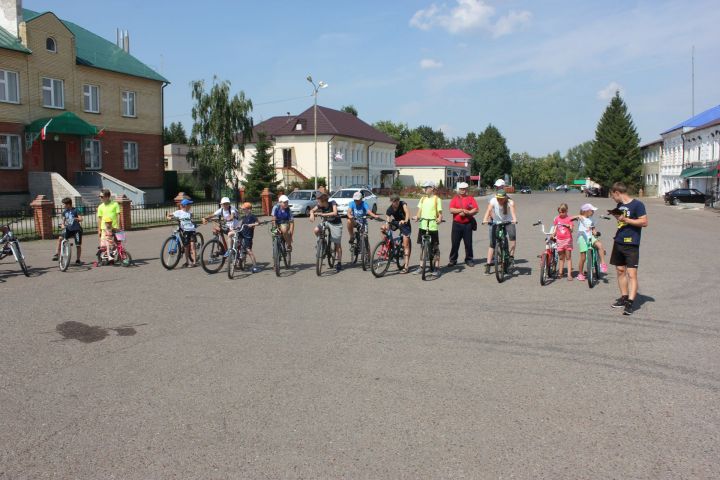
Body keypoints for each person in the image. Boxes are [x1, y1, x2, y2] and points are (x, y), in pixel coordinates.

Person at [608, 182, 648, 316]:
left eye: (613, 195)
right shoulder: (619, 206)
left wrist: (626, 219)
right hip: (618, 241)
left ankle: (630, 303)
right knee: (620, 271)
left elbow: (644, 222)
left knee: (632, 274)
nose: (613, 198)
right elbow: (622, 222)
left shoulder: (638, 205)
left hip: (631, 243)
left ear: (617, 193)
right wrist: (618, 217)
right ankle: (624, 298)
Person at [481, 189, 517, 275]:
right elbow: (488, 210)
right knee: (492, 243)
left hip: (508, 221)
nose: (499, 200)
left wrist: (514, 219)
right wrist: (485, 219)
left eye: (501, 198)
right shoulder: (493, 200)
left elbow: (513, 212)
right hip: (497, 221)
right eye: (498, 198)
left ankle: (511, 257)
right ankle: (488, 265)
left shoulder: (510, 202)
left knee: (512, 236)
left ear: (505, 198)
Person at [412, 181, 443, 277]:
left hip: (433, 226)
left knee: (435, 247)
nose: (424, 189)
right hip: (423, 225)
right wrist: (417, 217)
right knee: (422, 247)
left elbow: (440, 213)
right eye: (424, 187)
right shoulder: (422, 199)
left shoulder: (436, 199)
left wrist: (439, 219)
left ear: (432, 188)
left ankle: (437, 268)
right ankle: (421, 267)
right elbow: (419, 211)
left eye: (426, 187)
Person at [310, 191, 344, 272]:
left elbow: (335, 213)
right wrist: (312, 214)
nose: (317, 203)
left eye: (318, 201)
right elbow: (312, 210)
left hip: (336, 224)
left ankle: (339, 262)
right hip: (327, 222)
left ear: (323, 200)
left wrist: (322, 214)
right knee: (316, 230)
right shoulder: (320, 206)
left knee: (337, 244)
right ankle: (323, 243)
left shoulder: (332, 203)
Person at [574, 203, 607, 282]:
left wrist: (596, 233)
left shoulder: (591, 219)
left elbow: (593, 229)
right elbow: (572, 218)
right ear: (586, 211)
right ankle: (580, 273)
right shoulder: (581, 217)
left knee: (599, 245)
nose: (593, 212)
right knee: (583, 257)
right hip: (582, 237)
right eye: (592, 210)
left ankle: (602, 263)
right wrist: (577, 216)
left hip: (590, 236)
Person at [448, 182, 478, 267]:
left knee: (468, 243)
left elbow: (476, 209)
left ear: (466, 189)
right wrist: (461, 210)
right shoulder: (455, 199)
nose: (462, 191)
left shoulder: (470, 198)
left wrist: (468, 212)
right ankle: (453, 260)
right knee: (455, 243)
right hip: (456, 224)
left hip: (467, 224)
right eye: (461, 189)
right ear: (459, 190)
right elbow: (451, 210)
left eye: (464, 189)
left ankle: (469, 259)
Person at [382, 193, 412, 273]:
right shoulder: (390, 209)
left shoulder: (403, 204)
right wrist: (386, 226)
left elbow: (407, 213)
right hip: (396, 223)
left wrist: (405, 220)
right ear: (391, 201)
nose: (396, 203)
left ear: (399, 200)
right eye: (394, 201)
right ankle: (386, 246)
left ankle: (406, 266)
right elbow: (387, 220)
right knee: (383, 229)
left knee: (406, 245)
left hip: (405, 224)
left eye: (397, 201)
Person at [166, 198, 198, 267]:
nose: (190, 206)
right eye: (189, 204)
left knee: (192, 246)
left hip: (191, 231)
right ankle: (187, 262)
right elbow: (170, 215)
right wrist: (168, 217)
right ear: (185, 205)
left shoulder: (190, 213)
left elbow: (191, 218)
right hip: (185, 231)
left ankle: (194, 262)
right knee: (186, 247)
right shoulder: (179, 212)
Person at [53, 197, 83, 265]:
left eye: (64, 204)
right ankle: (57, 254)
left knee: (78, 245)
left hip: (76, 230)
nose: (63, 206)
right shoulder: (64, 212)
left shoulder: (76, 210)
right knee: (60, 238)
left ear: (68, 204)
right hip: (68, 229)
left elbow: (81, 219)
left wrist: (76, 218)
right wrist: (63, 225)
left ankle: (78, 260)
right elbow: (63, 221)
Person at [553, 203, 574, 280]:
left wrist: (569, 226)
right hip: (559, 240)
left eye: (563, 212)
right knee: (561, 257)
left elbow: (572, 230)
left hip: (567, 240)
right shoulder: (557, 219)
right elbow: (555, 229)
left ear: (566, 211)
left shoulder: (569, 219)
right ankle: (560, 273)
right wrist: (553, 235)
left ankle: (569, 274)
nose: (561, 214)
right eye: (560, 212)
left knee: (568, 257)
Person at [238, 202, 260, 273]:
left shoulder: (252, 216)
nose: (243, 210)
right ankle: (234, 253)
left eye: (244, 209)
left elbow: (258, 223)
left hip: (248, 236)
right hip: (242, 233)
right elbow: (240, 224)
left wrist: (252, 224)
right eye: (243, 209)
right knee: (234, 238)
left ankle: (255, 266)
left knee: (249, 251)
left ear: (249, 209)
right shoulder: (244, 217)